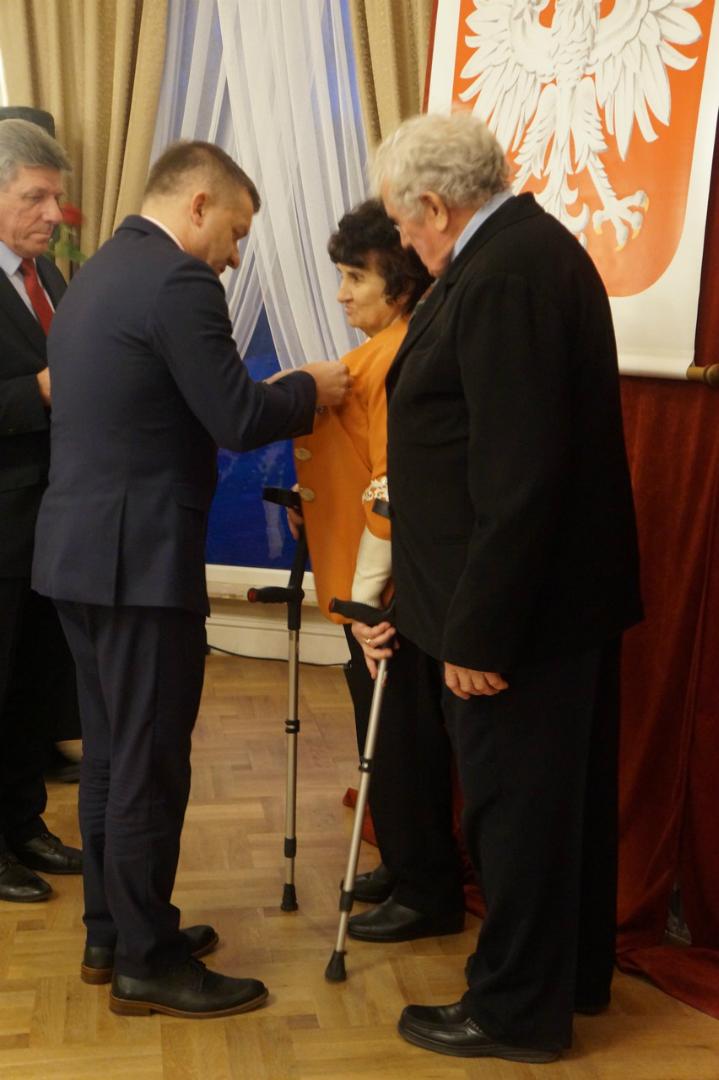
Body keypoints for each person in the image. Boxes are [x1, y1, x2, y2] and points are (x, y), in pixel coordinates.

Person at [32, 140, 350, 1019]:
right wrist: (310, 387)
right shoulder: (178, 280)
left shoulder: (95, 273)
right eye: (236, 232)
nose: (236, 256)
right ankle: (147, 962)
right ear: (199, 204)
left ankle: (114, 932)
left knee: (111, 757)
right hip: (138, 561)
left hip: (76, 554)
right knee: (148, 765)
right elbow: (237, 417)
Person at [358, 112, 643, 1062]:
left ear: (435, 205)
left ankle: (515, 1010)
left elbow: (520, 476)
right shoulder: (512, 254)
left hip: (517, 620)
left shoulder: (507, 271)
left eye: (403, 221)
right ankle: (570, 979)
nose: (402, 240)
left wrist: (477, 633)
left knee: (517, 817)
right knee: (553, 809)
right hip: (539, 606)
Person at [291, 199, 466, 938]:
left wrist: (367, 602)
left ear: (399, 282)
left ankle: (427, 890)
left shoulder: (399, 355)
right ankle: (402, 858)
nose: (341, 294)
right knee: (384, 730)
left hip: (384, 588)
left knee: (400, 738)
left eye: (355, 277)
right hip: (357, 578)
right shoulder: (378, 351)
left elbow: (393, 485)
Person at [0, 116, 83, 905]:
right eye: (35, 197)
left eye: (55, 198)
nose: (53, 214)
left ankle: (24, 825)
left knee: (31, 686)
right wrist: (38, 392)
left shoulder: (49, 275)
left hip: (49, 528)